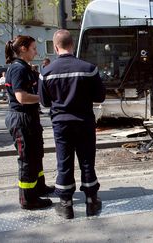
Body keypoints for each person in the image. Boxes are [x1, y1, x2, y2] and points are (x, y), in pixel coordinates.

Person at [39, 29, 106, 219]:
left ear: (55, 47)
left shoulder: (46, 72)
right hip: (84, 122)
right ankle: (92, 202)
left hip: (61, 124)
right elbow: (100, 96)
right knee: (87, 162)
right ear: (72, 45)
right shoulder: (89, 68)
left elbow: (44, 102)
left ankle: (66, 205)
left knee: (64, 162)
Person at [4, 35, 54, 210]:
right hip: (21, 118)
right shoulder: (18, 69)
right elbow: (21, 97)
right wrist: (44, 98)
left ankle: (39, 186)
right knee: (27, 159)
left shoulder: (24, 67)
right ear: (23, 49)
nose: (36, 51)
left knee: (36, 154)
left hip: (29, 118)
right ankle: (28, 199)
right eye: (33, 48)